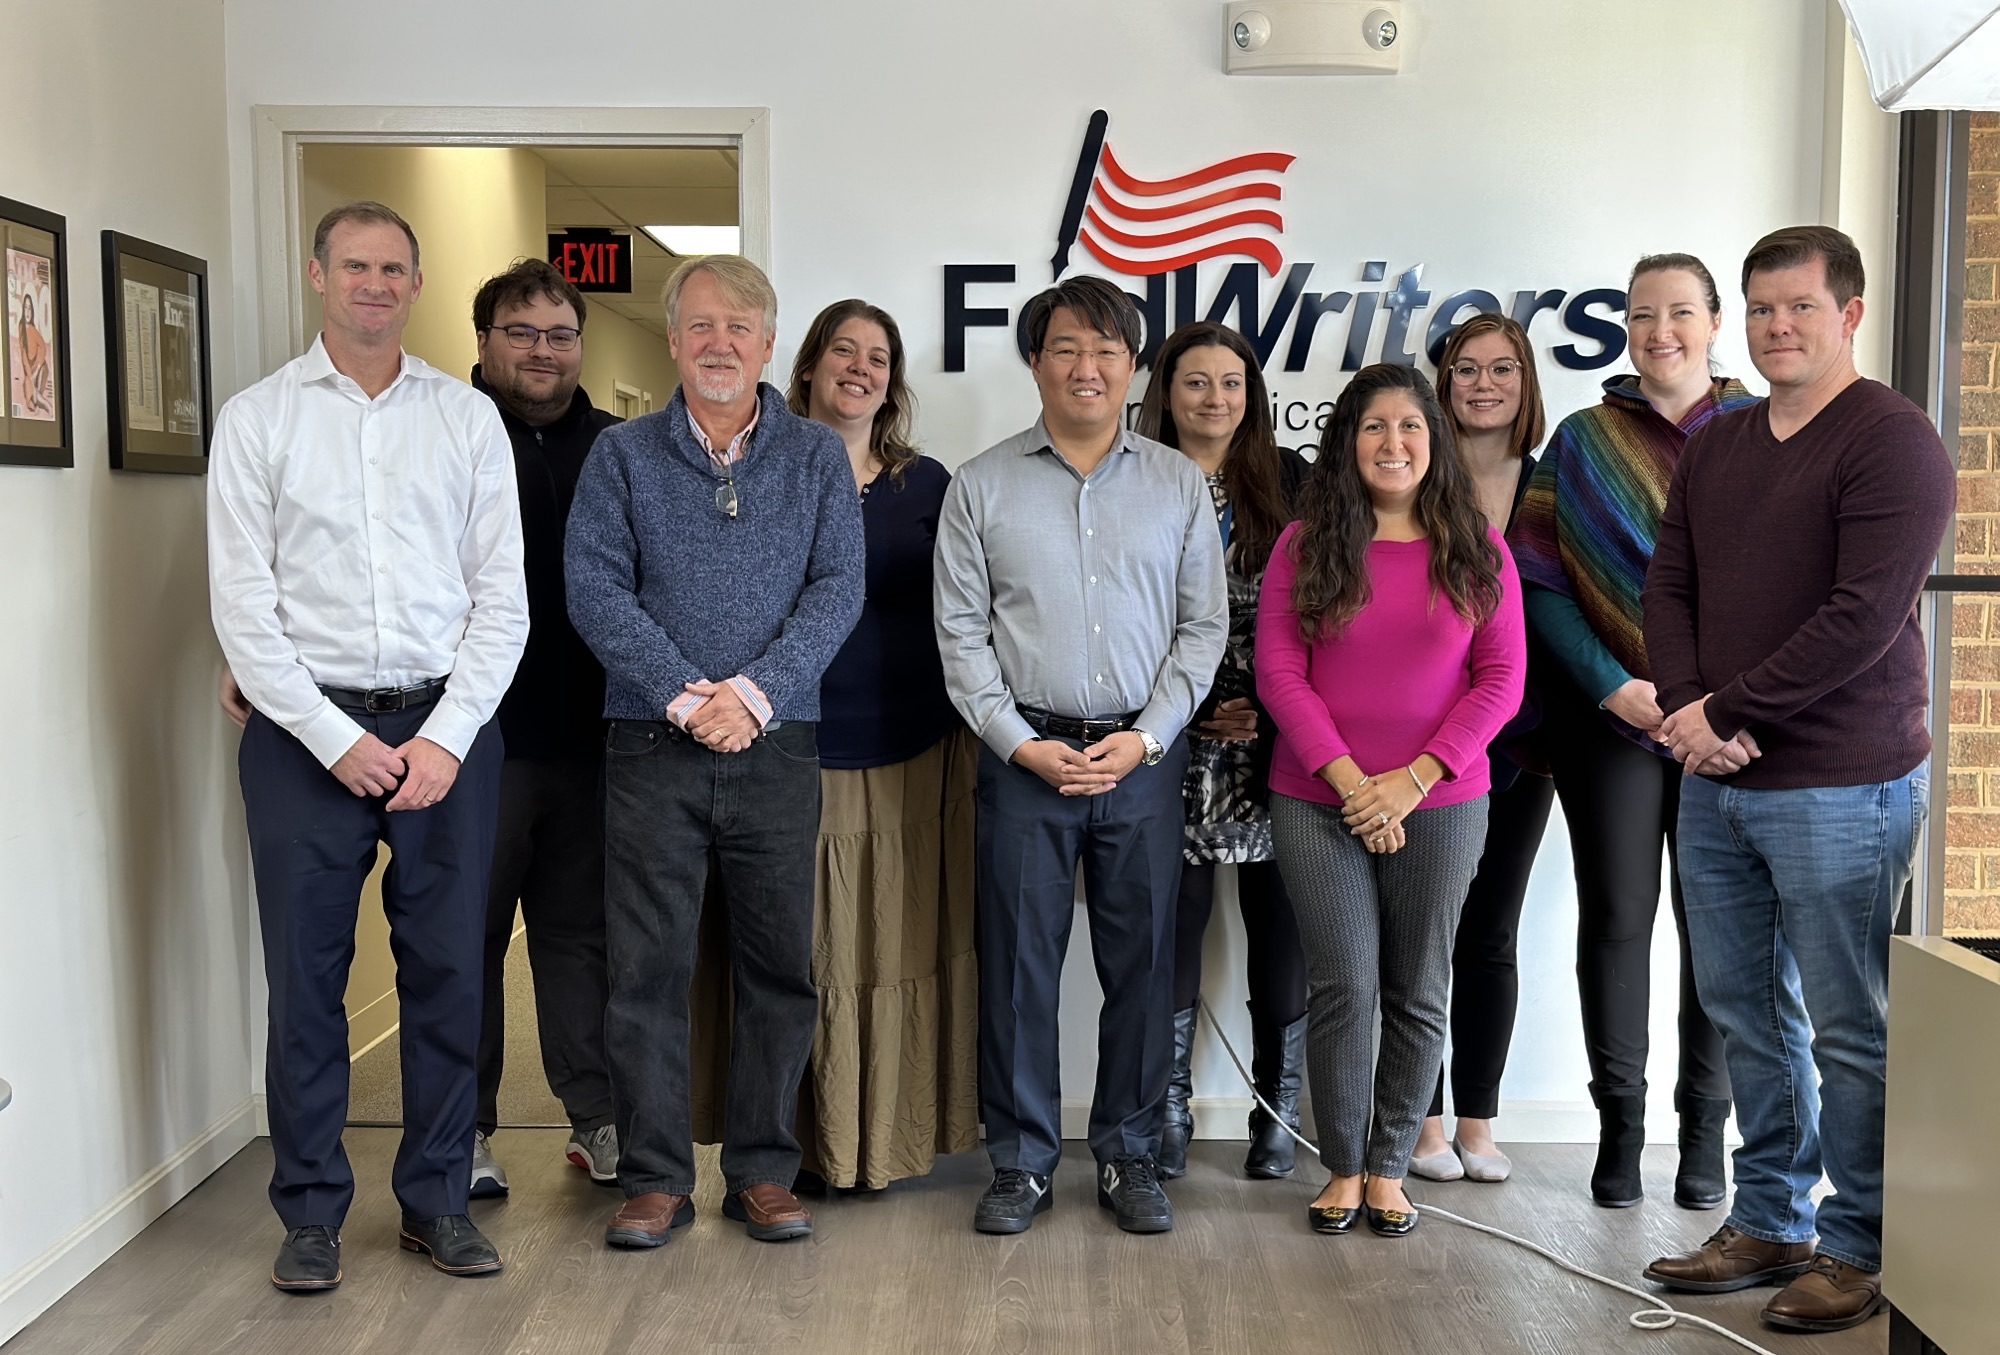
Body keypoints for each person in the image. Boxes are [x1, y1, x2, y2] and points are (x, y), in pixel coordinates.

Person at [207, 201, 527, 1290]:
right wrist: (337, 738)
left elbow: (503, 602)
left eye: (394, 268)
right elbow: (243, 608)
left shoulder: (463, 419)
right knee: (307, 978)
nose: (375, 284)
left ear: (417, 283)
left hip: (447, 731)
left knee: (447, 972)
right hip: (304, 734)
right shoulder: (259, 419)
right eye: (356, 265)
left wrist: (443, 737)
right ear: (318, 275)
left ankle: (437, 1199)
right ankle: (309, 1212)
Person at [1640, 226, 1952, 1334]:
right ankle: (1766, 1214)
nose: (1777, 326)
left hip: (1840, 783)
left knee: (1844, 1019)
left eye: (1799, 308)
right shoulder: (1720, 442)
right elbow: (1667, 583)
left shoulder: (1890, 442)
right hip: (1716, 780)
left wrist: (1723, 712)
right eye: (1761, 308)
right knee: (1739, 1007)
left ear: (1848, 314)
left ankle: (1858, 1240)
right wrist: (1690, 712)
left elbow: (1860, 620)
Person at [565, 254, 863, 1250]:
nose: (719, 343)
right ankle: (653, 1179)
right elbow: (595, 590)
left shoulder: (817, 458)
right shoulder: (622, 455)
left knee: (777, 967)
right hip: (653, 744)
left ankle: (762, 1172)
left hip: (777, 745)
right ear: (672, 340)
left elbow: (835, 590)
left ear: (770, 343)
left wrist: (751, 694)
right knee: (645, 969)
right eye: (699, 325)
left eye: (738, 326)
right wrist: (692, 699)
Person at [935, 274, 1225, 1236]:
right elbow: (962, 638)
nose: (1086, 366)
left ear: (1133, 365)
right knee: (1018, 969)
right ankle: (1018, 1162)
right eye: (1066, 347)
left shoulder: (1180, 484)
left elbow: (1201, 630)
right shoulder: (980, 484)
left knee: (1141, 969)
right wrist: (1024, 747)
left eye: (1106, 349)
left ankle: (1130, 1156)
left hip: (1143, 763)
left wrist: (1145, 737)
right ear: (1035, 361)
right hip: (1025, 759)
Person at [1508, 255, 1756, 1211]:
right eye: (1643, 314)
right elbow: (1540, 581)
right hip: (1610, 720)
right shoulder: (1583, 438)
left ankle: (1705, 1137)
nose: (1661, 331)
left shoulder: (1759, 428)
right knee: (1616, 922)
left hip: (1729, 730)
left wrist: (1719, 703)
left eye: (1680, 313)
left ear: (1714, 321)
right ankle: (1620, 1129)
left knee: (1719, 933)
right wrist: (1613, 685)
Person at [1257, 363, 1525, 1239]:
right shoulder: (1305, 544)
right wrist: (1350, 783)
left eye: (1410, 426)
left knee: (1417, 987)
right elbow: (1280, 674)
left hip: (1442, 801)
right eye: (1375, 427)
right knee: (1344, 984)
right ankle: (1341, 1165)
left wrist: (1411, 780)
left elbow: (1501, 681)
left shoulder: (1478, 549)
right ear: (1348, 441)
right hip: (1316, 798)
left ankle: (1389, 1165)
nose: (1394, 443)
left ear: (1434, 441)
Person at [782, 299, 978, 1189]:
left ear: (892, 381)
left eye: (878, 357)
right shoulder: (764, 467)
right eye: (843, 351)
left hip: (917, 748)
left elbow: (970, 612)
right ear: (813, 364)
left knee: (901, 950)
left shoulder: (928, 484)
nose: (860, 368)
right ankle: (809, 1148)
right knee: (811, 954)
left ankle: (890, 1141)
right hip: (794, 745)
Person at [1134, 321, 1311, 1181]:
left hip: (1279, 738)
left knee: (1284, 926)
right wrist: (1193, 707)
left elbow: (1329, 616)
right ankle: (1167, 1105)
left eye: (1232, 382)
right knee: (1174, 924)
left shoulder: (1297, 483)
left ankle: (1278, 1108)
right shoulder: (1136, 479)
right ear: (1166, 392)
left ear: (1255, 394)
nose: (1215, 399)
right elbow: (1126, 617)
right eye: (1196, 382)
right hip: (1170, 734)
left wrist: (1266, 714)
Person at [464, 259, 621, 1198]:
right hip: (474, 743)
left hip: (597, 742)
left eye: (559, 334)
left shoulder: (619, 446)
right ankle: (466, 1129)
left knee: (581, 940)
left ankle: (596, 1120)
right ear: (482, 340)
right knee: (465, 937)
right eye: (521, 332)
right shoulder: (445, 432)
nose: (541, 350)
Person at [1407, 315, 1556, 1186]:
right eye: (1467, 369)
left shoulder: (1551, 487)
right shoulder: (1413, 480)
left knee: (1490, 931)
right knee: (1422, 933)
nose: (1485, 384)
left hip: (1522, 747)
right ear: (1444, 382)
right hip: (1422, 748)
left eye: (1504, 368)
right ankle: (1421, 1123)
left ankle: (1478, 1121)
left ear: (1526, 381)